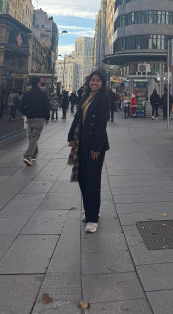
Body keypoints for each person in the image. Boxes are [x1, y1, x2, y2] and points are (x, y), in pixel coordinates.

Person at [67, 69, 110, 234]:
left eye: (98, 80)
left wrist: (96, 147)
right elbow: (78, 117)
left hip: (95, 145)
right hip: (82, 142)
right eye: (93, 80)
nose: (95, 83)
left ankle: (93, 219)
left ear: (102, 83)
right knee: (83, 178)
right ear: (89, 81)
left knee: (92, 180)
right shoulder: (85, 95)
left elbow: (101, 124)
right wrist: (70, 136)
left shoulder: (103, 98)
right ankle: (89, 210)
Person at [19, 77, 50, 166]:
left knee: (32, 136)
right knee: (34, 137)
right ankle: (28, 156)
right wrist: (47, 117)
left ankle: (34, 154)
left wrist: (26, 113)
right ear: (38, 83)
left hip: (30, 118)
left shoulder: (26, 94)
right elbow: (46, 106)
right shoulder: (43, 94)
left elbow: (20, 106)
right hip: (39, 118)